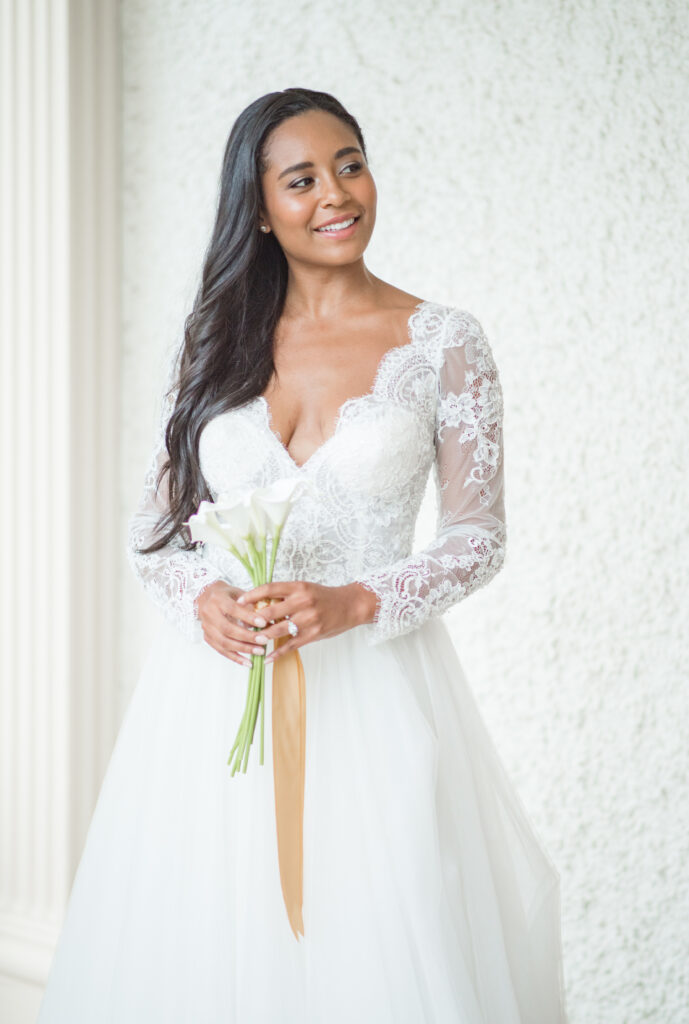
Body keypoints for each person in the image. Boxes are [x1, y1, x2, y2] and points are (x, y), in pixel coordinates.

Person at [36, 87, 568, 1023]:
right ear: (260, 206)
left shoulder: (444, 341)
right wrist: (203, 598)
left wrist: (357, 601)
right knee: (206, 944)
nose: (337, 194)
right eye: (303, 179)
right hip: (208, 706)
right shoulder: (214, 340)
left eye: (350, 165)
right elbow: (155, 526)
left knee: (381, 936)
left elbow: (477, 535)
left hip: (378, 693)